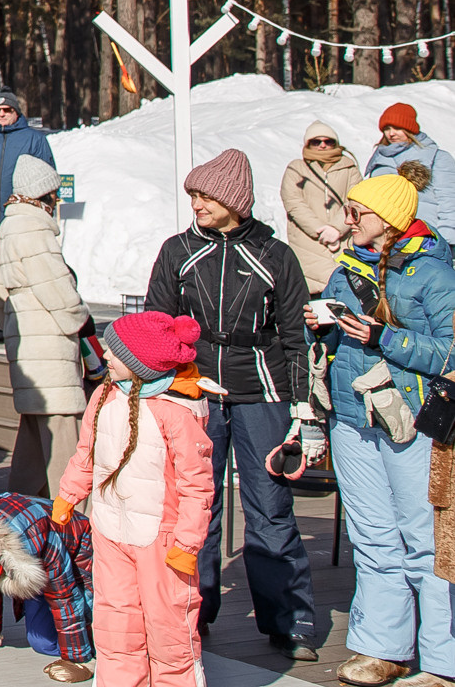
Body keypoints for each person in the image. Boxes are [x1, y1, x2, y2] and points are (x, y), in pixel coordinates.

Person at [142, 148, 316, 659]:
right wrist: (164, 386)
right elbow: (157, 326)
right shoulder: (177, 251)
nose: (195, 203)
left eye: (205, 195)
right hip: (195, 389)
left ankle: (290, 618)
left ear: (234, 200)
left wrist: (303, 407)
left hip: (262, 390)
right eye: (193, 195)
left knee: (270, 504)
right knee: (197, 505)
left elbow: (295, 337)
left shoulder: (275, 255)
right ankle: (194, 608)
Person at [306, 172, 455, 687]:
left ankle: (442, 660)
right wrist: (321, 325)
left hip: (407, 418)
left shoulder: (435, 273)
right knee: (371, 537)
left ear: (388, 221)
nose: (347, 220)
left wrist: (385, 337)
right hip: (351, 415)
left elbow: (452, 351)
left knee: (425, 538)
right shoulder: (348, 270)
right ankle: (383, 648)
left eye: (358, 212)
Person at [54, 311, 215, 687]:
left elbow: (197, 486)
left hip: (162, 540)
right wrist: (69, 494)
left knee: (168, 624)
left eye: (114, 352)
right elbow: (87, 453)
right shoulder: (104, 395)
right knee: (115, 620)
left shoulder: (175, 413)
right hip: (110, 530)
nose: (105, 356)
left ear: (139, 363)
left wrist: (188, 543)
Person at [0, 153, 89, 498]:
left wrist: (14, 330)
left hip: (27, 348)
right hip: (51, 352)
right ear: (42, 194)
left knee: (32, 444)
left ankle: (19, 514)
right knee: (64, 446)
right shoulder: (34, 228)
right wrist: (81, 320)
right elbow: (60, 294)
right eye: (53, 194)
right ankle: (74, 527)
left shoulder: (9, 226)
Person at [0, 493, 97, 682]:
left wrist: (77, 660)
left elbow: (65, 598)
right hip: (34, 560)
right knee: (41, 641)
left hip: (78, 551)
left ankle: (96, 650)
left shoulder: (34, 536)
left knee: (86, 630)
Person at [0, 90, 57, 344]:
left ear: (16, 112)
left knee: (23, 273)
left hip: (20, 219)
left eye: (6, 110)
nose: (2, 115)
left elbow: (47, 176)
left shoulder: (33, 139)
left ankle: (26, 323)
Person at [280, 120, 359, 293]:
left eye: (328, 141)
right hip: (307, 243)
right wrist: (319, 229)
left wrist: (337, 229)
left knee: (344, 289)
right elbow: (293, 202)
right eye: (316, 142)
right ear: (307, 144)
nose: (322, 146)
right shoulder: (296, 169)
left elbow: (355, 200)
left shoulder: (349, 168)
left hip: (343, 242)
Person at [365, 102, 455, 244]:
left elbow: (449, 201)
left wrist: (446, 240)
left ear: (409, 129)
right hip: (387, 240)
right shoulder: (379, 158)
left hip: (427, 237)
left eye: (397, 128)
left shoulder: (437, 157)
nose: (391, 133)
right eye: (387, 128)